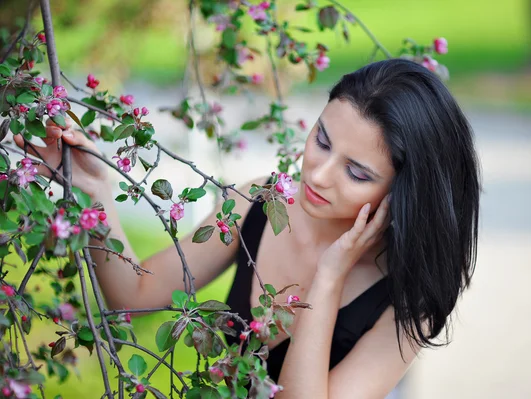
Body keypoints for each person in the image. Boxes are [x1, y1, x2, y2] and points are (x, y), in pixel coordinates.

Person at [15, 58, 481, 398]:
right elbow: (135, 294)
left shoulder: (412, 298)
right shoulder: (259, 202)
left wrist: (330, 276)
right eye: (321, 140)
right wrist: (94, 190)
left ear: (404, 195)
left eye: (356, 173)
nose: (316, 175)